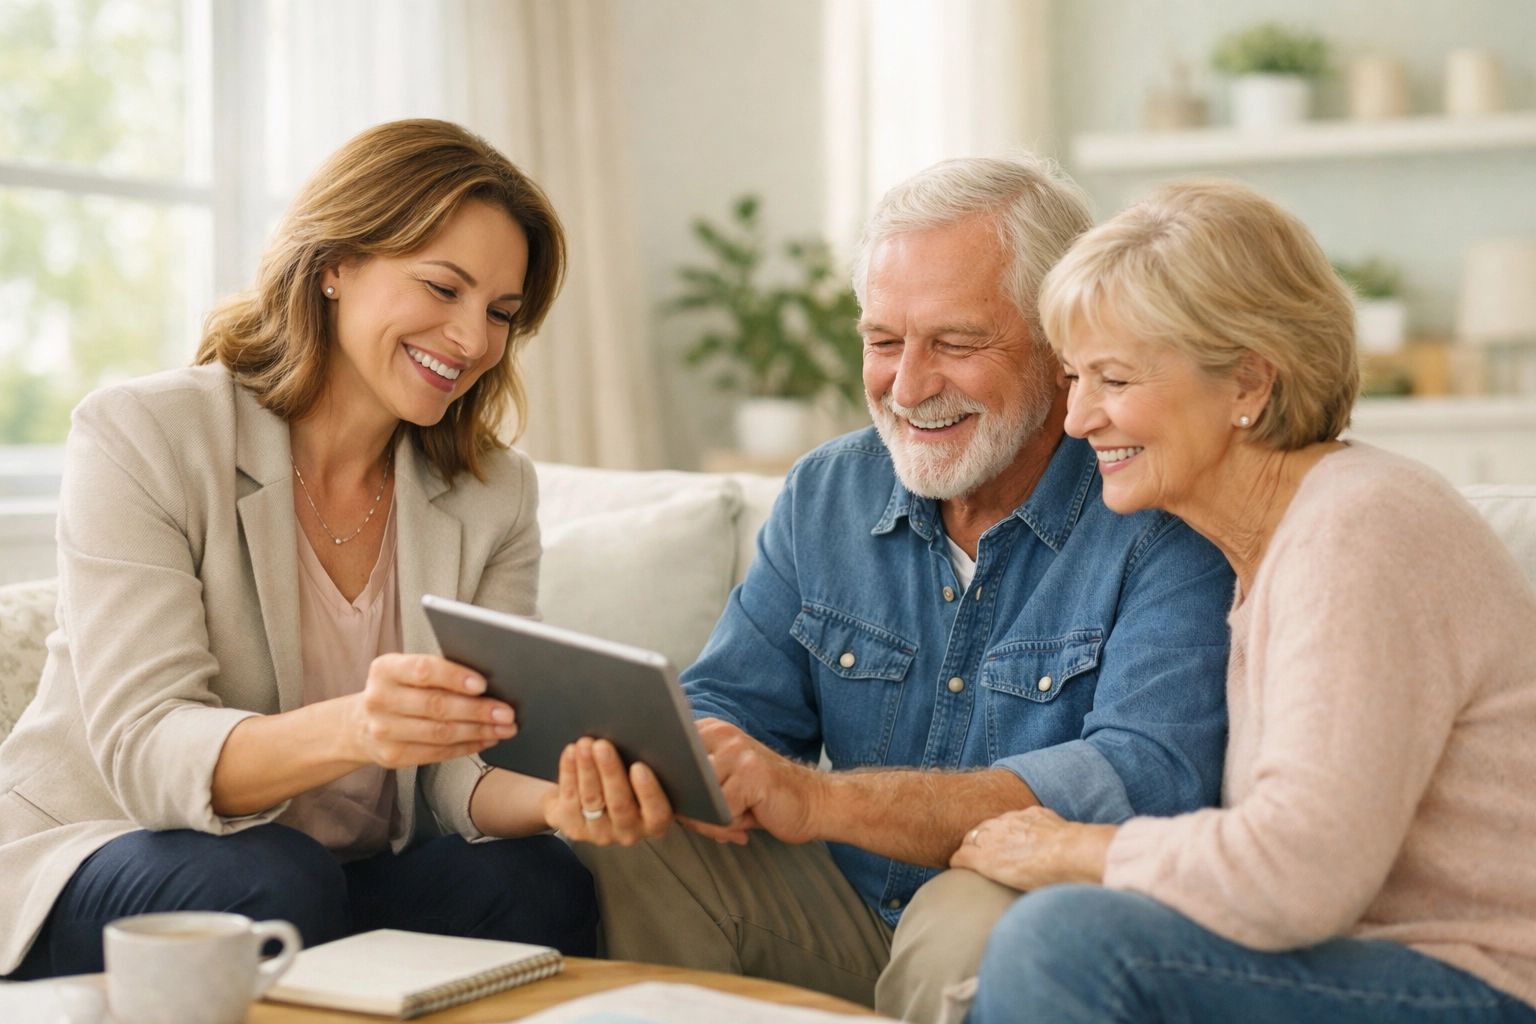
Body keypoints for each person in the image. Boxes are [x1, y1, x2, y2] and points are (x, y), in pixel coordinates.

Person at [541, 155, 1236, 1019]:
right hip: (843, 910)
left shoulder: (1158, 511)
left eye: (955, 342)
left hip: (1023, 917)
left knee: (963, 907)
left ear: (1065, 344)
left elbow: (1144, 774)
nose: (907, 387)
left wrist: (819, 799)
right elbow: (730, 701)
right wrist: (672, 763)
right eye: (882, 341)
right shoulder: (826, 493)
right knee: (653, 838)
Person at [0, 119, 597, 980]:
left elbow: (448, 774)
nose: (472, 340)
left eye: (501, 313)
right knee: (272, 880)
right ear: (334, 265)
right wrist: (364, 726)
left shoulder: (493, 494)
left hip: (330, 877)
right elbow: (150, 750)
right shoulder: (147, 434)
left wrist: (564, 805)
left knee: (535, 882)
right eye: (441, 287)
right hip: (107, 852)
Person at [957, 179, 1536, 1023]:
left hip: (1479, 986)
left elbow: (1300, 873)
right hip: (1354, 966)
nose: (1077, 418)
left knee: (1064, 942)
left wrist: (1079, 848)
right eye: (1075, 376)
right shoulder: (1263, 544)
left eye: (1112, 378)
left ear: (1249, 385)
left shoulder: (1359, 529)